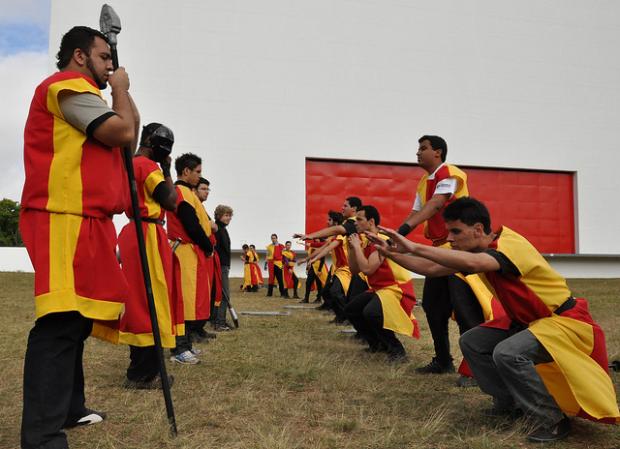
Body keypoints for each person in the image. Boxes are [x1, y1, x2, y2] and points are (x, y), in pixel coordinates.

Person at [375, 197, 620, 442]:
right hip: (530, 323)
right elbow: (431, 268)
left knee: (507, 353)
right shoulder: (471, 249)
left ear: (478, 229)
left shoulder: (510, 245)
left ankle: (553, 420)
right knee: (473, 342)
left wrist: (413, 246)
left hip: (563, 322)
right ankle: (510, 405)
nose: (450, 238)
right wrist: (390, 254)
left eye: (455, 231)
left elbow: (475, 262)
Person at [19, 26, 138, 448]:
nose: (111, 65)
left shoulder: (91, 95)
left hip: (84, 217)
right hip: (62, 216)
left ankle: (70, 408)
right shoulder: (66, 87)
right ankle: (42, 437)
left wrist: (120, 91)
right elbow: (121, 134)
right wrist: (119, 88)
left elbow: (129, 134)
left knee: (77, 320)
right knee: (60, 323)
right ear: (80, 56)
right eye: (104, 57)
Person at [396, 135, 489, 379]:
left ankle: (474, 370)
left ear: (437, 152)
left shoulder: (449, 172)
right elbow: (417, 212)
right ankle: (443, 360)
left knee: (465, 308)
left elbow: (436, 205)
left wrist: (401, 232)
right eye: (418, 148)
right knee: (433, 306)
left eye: (423, 148)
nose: (418, 152)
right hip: (440, 249)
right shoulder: (423, 182)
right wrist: (396, 235)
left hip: (459, 249)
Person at [114, 123, 182, 389]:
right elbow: (171, 202)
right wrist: (166, 170)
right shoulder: (148, 166)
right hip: (148, 234)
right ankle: (143, 373)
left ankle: (140, 368)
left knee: (138, 299)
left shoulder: (131, 163)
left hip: (133, 233)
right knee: (151, 301)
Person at [346, 206, 419, 362]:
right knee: (352, 310)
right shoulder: (366, 242)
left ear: (371, 221)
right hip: (380, 289)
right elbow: (353, 270)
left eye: (359, 219)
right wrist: (353, 249)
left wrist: (357, 247)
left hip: (396, 288)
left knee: (371, 313)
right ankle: (377, 345)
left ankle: (398, 351)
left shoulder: (382, 241)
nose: (356, 223)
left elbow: (367, 269)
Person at [166, 153, 213, 364]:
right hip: (183, 252)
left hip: (190, 253)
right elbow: (191, 225)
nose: (199, 176)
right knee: (182, 301)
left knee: (190, 300)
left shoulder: (187, 192)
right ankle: (179, 349)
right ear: (186, 171)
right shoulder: (181, 192)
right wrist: (207, 245)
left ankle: (186, 345)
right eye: (198, 172)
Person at [194, 177, 221, 336]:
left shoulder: (201, 208)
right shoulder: (193, 205)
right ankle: (193, 329)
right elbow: (211, 226)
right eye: (203, 189)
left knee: (207, 292)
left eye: (208, 189)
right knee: (198, 293)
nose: (207, 192)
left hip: (207, 253)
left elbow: (214, 226)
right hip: (199, 252)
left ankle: (200, 326)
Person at [213, 204, 234, 330]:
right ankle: (220, 323)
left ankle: (218, 320)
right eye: (226, 215)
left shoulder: (222, 229)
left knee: (221, 294)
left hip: (223, 266)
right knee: (224, 295)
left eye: (230, 216)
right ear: (219, 216)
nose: (229, 218)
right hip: (220, 266)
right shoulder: (217, 229)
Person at [301, 237, 329, 304]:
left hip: (319, 267)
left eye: (318, 239)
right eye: (315, 239)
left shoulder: (321, 247)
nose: (316, 240)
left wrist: (319, 270)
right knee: (308, 283)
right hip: (312, 266)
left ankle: (319, 298)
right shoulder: (311, 247)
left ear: (320, 239)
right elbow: (309, 258)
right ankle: (306, 298)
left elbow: (322, 259)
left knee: (319, 283)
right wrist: (307, 268)